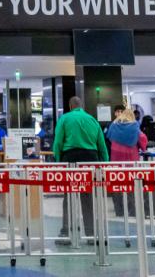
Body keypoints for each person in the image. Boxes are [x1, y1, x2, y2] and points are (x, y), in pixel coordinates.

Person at [53, 97, 109, 244]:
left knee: (68, 196)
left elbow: (58, 142)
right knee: (87, 197)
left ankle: (66, 233)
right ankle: (91, 235)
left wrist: (58, 161)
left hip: (70, 158)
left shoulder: (65, 118)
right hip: (90, 159)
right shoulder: (92, 120)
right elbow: (102, 145)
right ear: (81, 106)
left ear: (70, 106)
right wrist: (104, 163)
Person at [105, 105, 145, 216]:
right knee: (131, 184)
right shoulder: (135, 126)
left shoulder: (113, 125)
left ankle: (119, 210)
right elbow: (143, 140)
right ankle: (132, 210)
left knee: (117, 184)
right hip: (131, 159)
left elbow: (108, 137)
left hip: (116, 159)